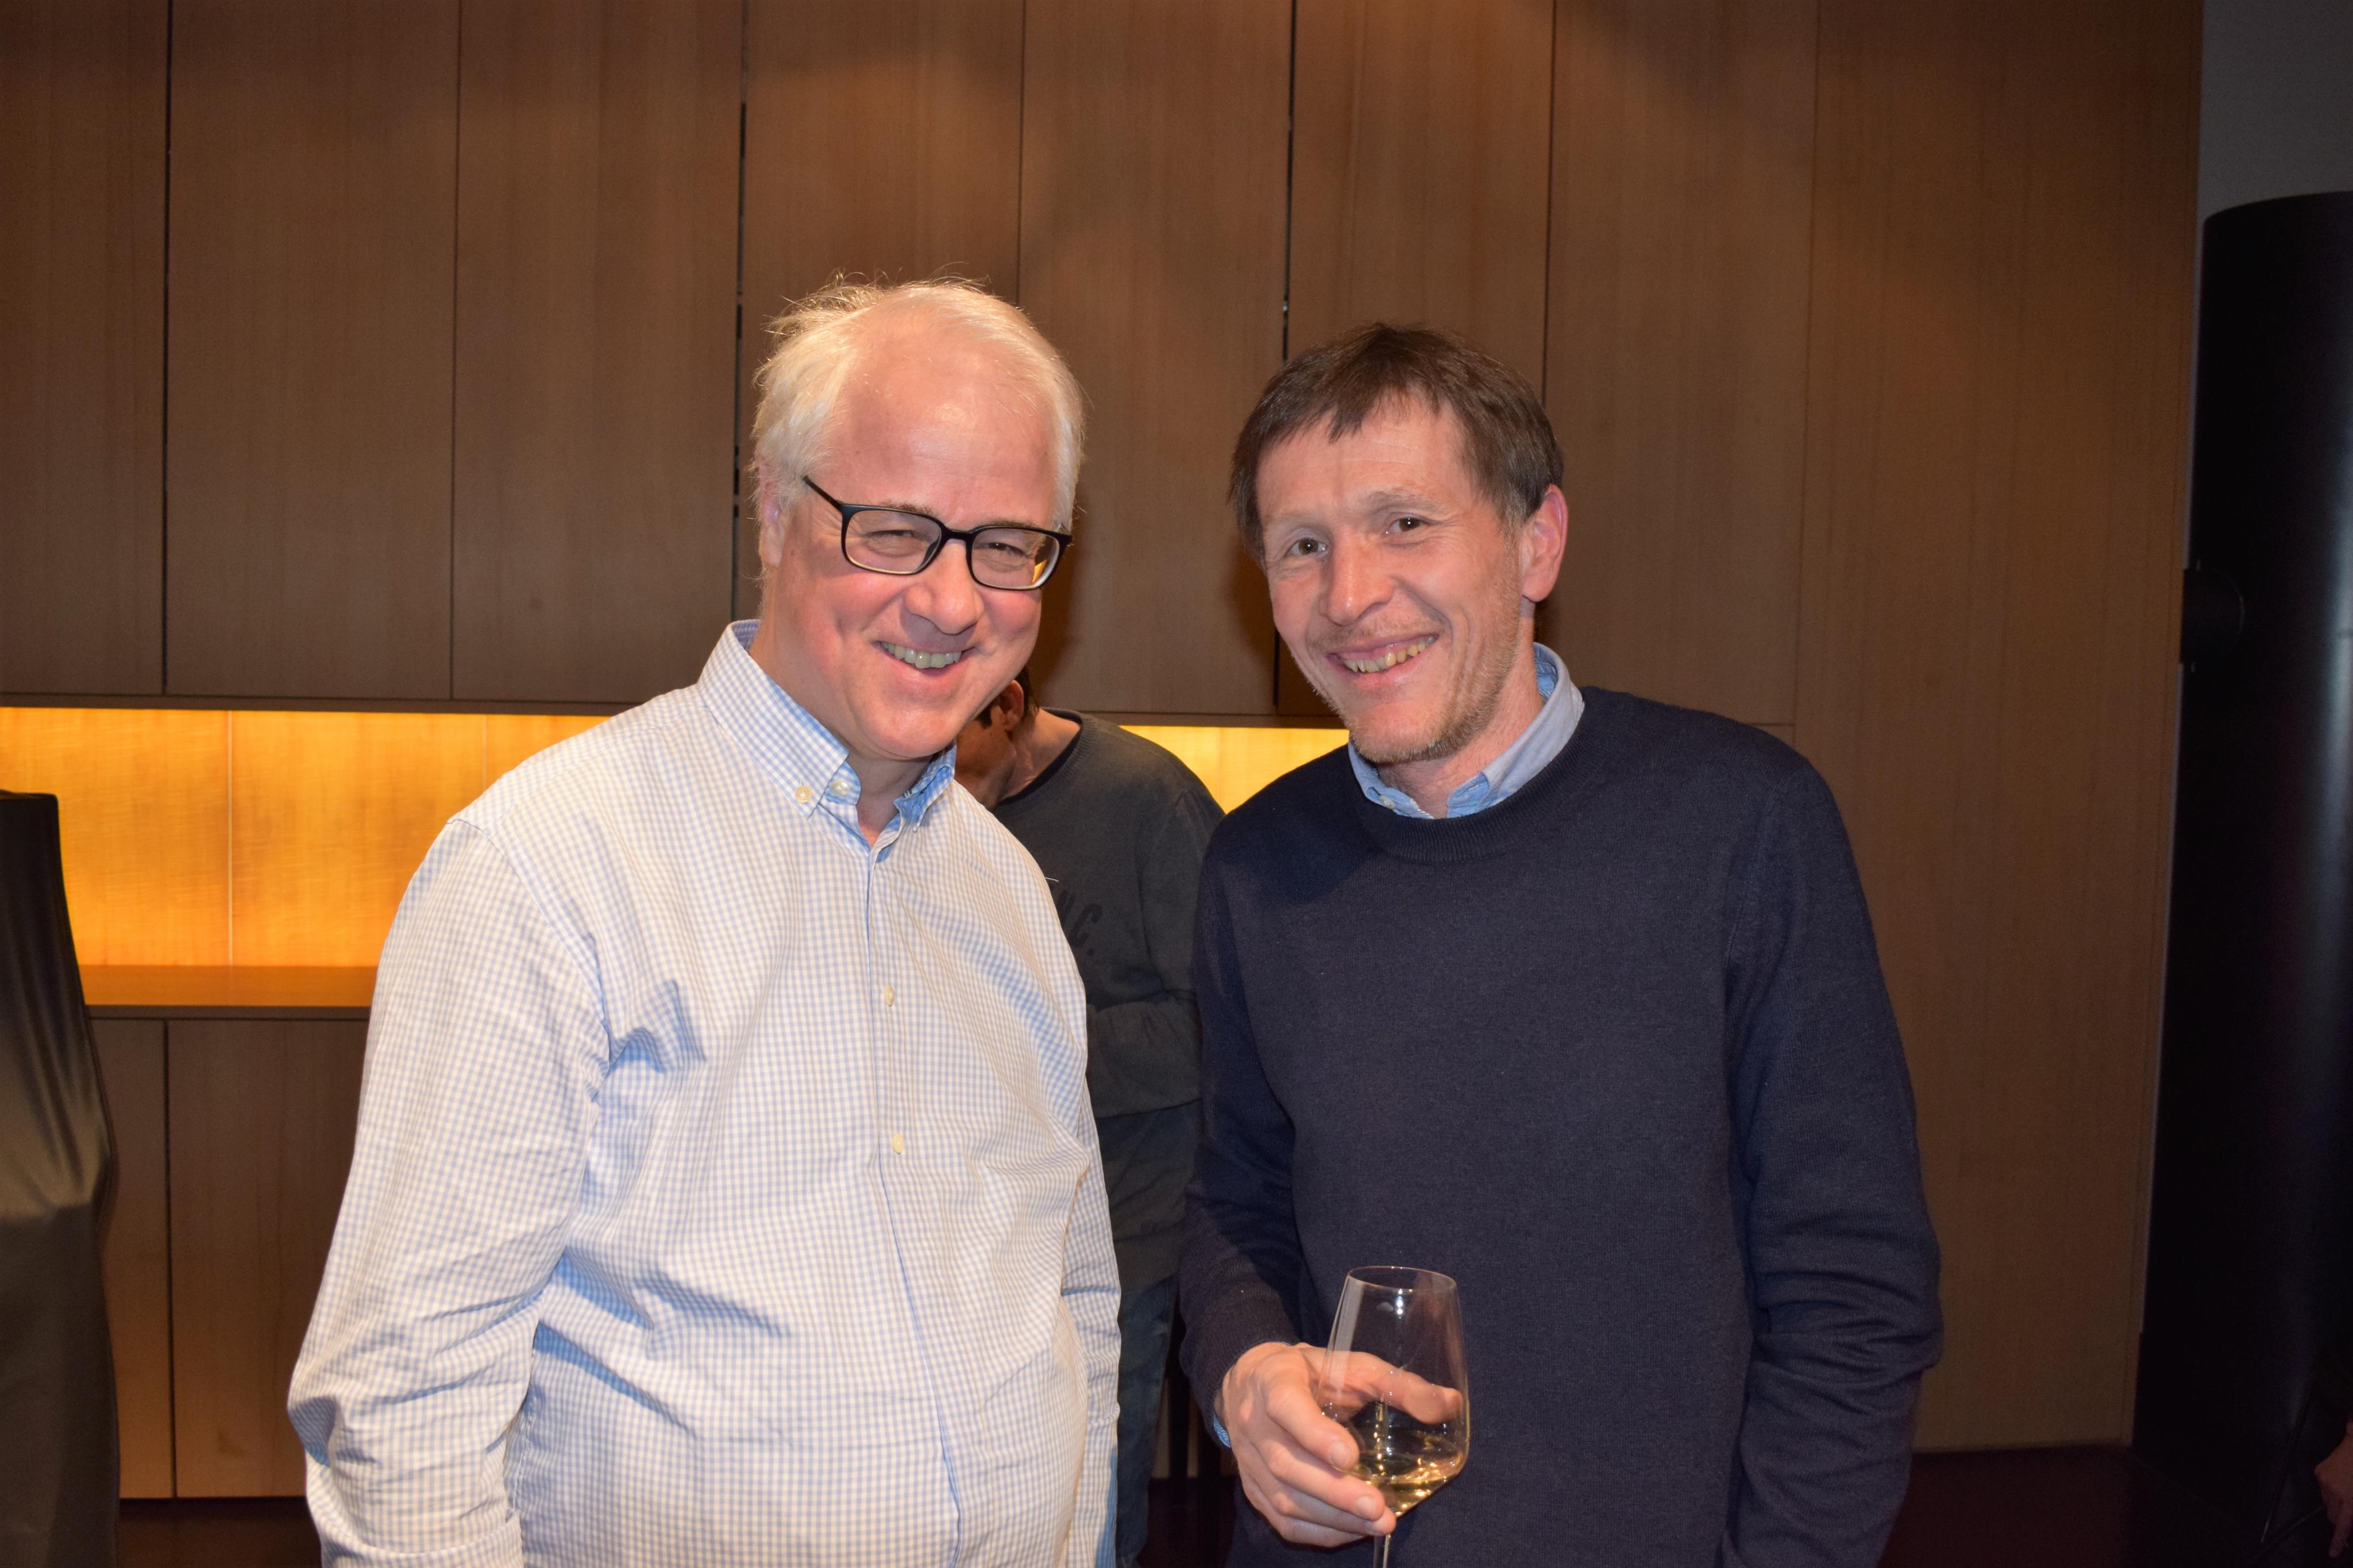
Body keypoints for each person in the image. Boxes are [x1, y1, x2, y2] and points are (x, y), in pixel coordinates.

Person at [289, 280, 1120, 1567]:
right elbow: (408, 1411)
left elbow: (1076, 1299)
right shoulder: (548, 867)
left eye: (1006, 545)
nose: (953, 602)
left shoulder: (1010, 892)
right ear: (775, 510)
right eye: (896, 531)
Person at [1179, 323, 1942, 1565]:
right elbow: (1233, 1203)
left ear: (1536, 542)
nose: (1349, 594)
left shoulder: (1740, 825)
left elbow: (1852, 1288)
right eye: (1301, 545)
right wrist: (1244, 1365)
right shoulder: (1253, 864)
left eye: (1404, 524)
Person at [955, 674, 1224, 1568]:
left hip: (1124, 1231)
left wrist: (1033, 1045)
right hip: (982, 1231)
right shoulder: (926, 808)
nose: (935, 777)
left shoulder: (1148, 801)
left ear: (1008, 704)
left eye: (954, 744)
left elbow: (1219, 1022)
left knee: (1094, 1505)